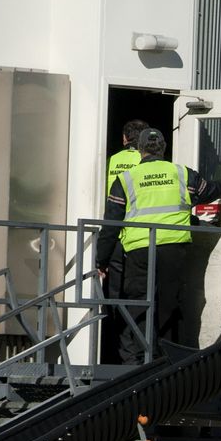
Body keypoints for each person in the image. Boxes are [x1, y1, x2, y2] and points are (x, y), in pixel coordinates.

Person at [95, 128, 221, 364]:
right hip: (174, 250)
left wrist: (102, 260)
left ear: (139, 150)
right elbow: (208, 191)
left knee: (138, 305)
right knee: (170, 305)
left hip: (139, 252)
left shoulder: (126, 179)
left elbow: (111, 225)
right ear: (164, 148)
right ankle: (167, 360)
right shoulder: (181, 173)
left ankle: (140, 362)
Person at [99, 119, 148, 364]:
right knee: (141, 298)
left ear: (123, 139)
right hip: (140, 239)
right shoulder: (148, 162)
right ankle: (138, 354)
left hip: (116, 238)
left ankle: (117, 352)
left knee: (115, 298)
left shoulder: (111, 161)